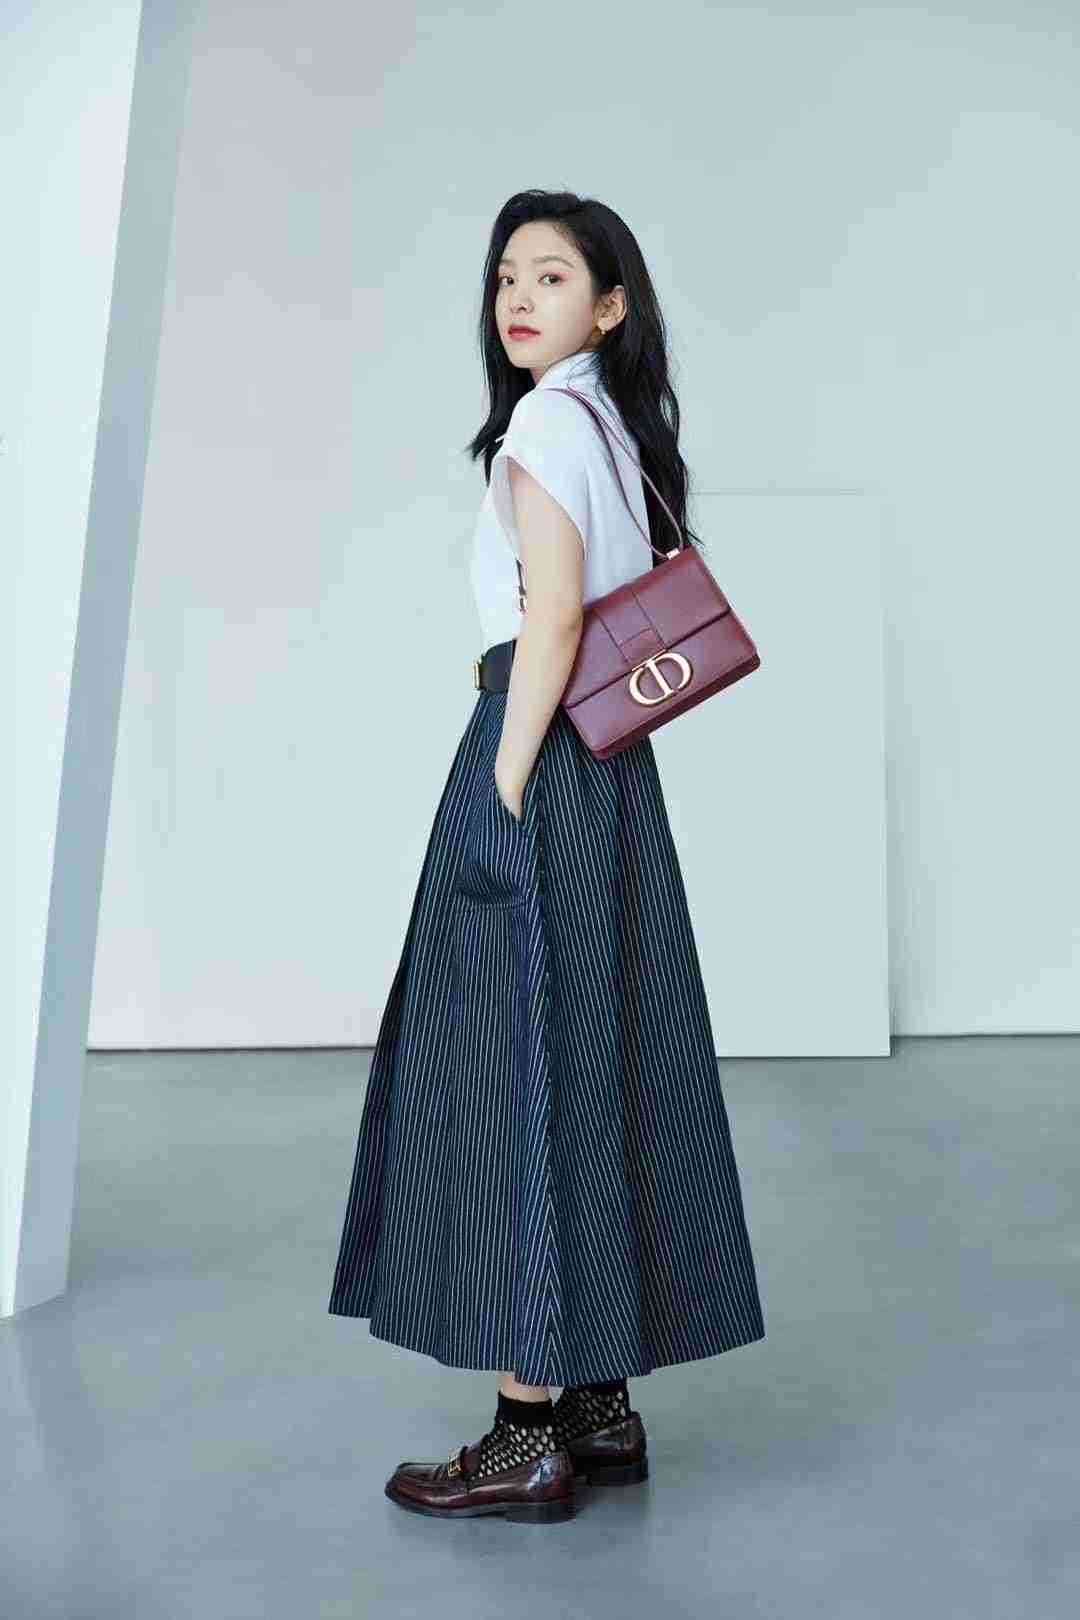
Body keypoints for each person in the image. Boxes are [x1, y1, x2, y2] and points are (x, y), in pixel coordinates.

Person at [328, 189, 766, 1524]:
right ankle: (597, 1403)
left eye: (554, 276)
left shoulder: (542, 426)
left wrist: (505, 778)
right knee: (600, 1055)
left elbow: (556, 619)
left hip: (544, 748)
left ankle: (525, 1435)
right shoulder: (614, 427)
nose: (519, 297)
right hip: (616, 774)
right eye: (507, 275)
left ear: (611, 304)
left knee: (509, 1068)